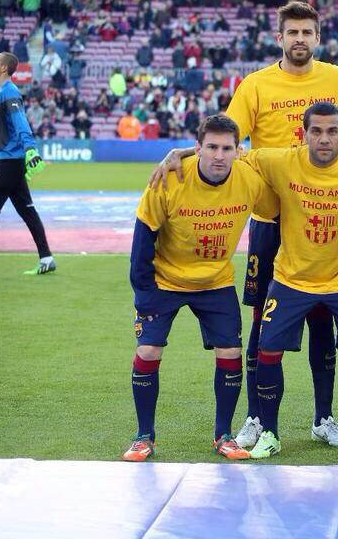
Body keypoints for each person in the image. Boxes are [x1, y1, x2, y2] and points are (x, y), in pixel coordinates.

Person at [159, 1, 338, 451]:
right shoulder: (255, 85)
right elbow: (225, 137)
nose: (300, 39)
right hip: (270, 220)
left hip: (322, 217)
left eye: (307, 32)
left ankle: (323, 418)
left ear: (318, 38)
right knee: (261, 322)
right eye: (292, 32)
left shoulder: (336, 79)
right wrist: (184, 151)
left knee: (323, 321)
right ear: (279, 38)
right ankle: (256, 416)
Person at [123, 115, 279, 462]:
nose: (219, 155)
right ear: (197, 148)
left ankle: (223, 435)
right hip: (165, 281)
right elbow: (142, 238)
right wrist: (144, 296)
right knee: (148, 350)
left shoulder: (249, 180)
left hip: (215, 282)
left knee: (230, 353)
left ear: (238, 151)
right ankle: (143, 436)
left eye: (226, 148)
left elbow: (278, 212)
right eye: (211, 147)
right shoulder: (169, 178)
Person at [0, 52, 54, 275]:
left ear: (4, 68)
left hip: (8, 162)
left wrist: (30, 148)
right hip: (11, 161)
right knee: (27, 211)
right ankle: (46, 258)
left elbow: (20, 121)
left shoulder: (9, 92)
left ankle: (46, 257)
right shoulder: (1, 92)